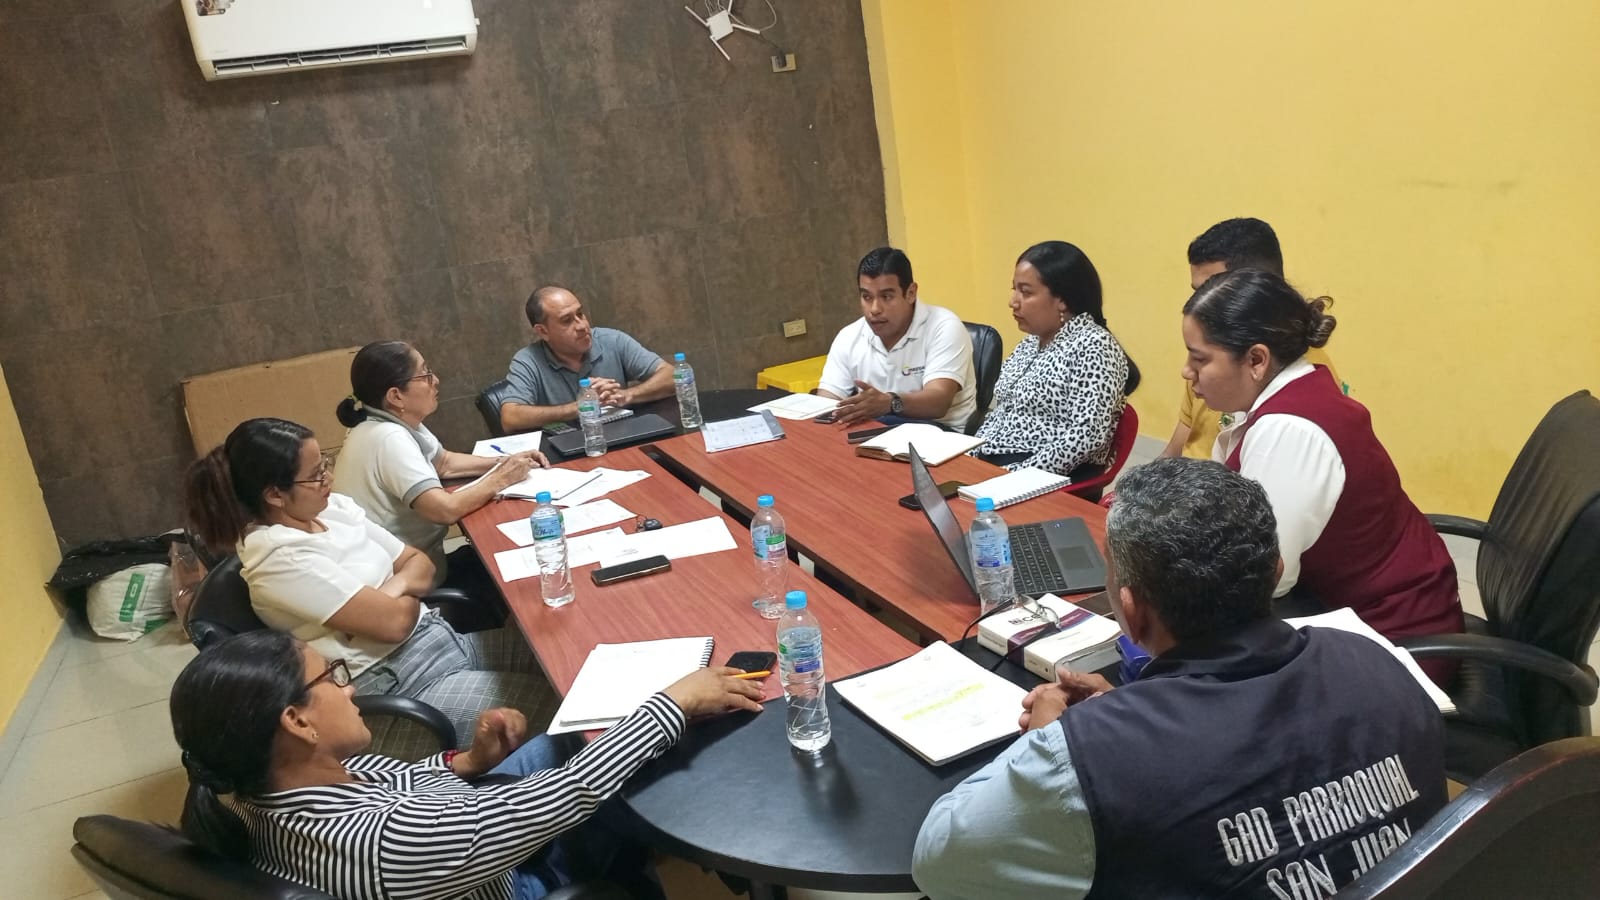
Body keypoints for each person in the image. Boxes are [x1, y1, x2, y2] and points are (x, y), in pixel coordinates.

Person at [913, 458, 1447, 899]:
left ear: (1130, 611)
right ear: (1277, 570)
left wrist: (1044, 745)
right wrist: (1131, 706)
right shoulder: (1374, 659)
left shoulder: (1090, 757)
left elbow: (939, 862)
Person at [171, 630, 764, 900]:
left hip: (457, 841)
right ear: (296, 722)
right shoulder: (383, 844)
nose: (349, 689)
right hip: (498, 879)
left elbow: (395, 783)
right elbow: (565, 796)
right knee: (618, 778)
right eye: (332, 678)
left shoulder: (265, 792)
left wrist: (466, 761)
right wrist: (674, 701)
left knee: (576, 743)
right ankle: (738, 856)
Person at [185, 417, 552, 756]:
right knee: (561, 709)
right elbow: (394, 624)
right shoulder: (278, 558)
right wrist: (397, 596)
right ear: (275, 495)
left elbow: (420, 564)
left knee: (564, 661)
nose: (328, 479)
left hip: (439, 639)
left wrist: (386, 594)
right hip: (401, 681)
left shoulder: (331, 510)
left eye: (324, 465)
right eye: (315, 476)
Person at [1182, 268, 1462, 676]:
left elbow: (1263, 576)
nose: (1187, 372)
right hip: (1361, 610)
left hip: (1395, 642)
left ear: (1256, 360)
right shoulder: (1301, 389)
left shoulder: (1289, 430)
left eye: (1199, 358)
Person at [331, 340, 548, 589]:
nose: (435, 380)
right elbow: (445, 510)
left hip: (416, 564)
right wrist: (502, 477)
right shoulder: (388, 438)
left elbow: (444, 462)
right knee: (517, 574)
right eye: (425, 374)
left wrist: (506, 462)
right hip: (405, 581)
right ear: (396, 396)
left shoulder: (386, 422)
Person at [1160, 217, 1342, 460]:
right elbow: (1180, 444)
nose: (1202, 302)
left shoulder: (1302, 386)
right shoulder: (1210, 353)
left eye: (1214, 288)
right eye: (1198, 292)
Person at [971, 241, 1139, 477]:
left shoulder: (1094, 345)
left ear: (1063, 299)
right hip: (995, 463)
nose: (1013, 302)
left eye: (1026, 292)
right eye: (1014, 289)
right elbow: (1002, 411)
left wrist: (1016, 475)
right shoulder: (1031, 342)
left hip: (1045, 475)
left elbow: (1087, 436)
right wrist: (969, 456)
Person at [817, 247, 977, 429]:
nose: (875, 309)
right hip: (875, 431)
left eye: (886, 296)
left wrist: (889, 403)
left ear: (911, 293)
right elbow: (827, 402)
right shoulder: (849, 336)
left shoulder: (944, 327)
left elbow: (938, 402)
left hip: (941, 433)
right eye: (867, 297)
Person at [499, 286, 676, 432]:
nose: (582, 325)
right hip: (567, 450)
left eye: (580, 314)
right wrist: (579, 407)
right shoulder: (528, 360)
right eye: (567, 320)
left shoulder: (612, 340)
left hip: (621, 436)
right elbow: (510, 418)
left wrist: (626, 395)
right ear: (543, 331)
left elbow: (672, 376)